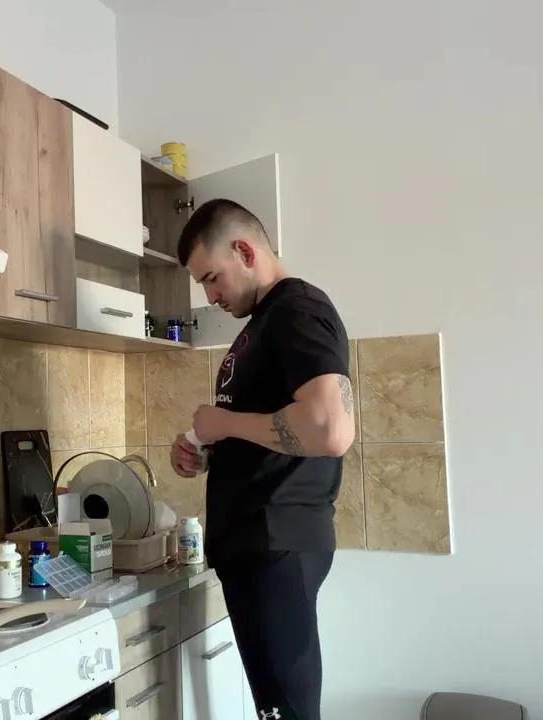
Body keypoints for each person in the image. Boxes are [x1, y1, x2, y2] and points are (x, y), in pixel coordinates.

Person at [170, 198, 355, 720]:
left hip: (277, 543)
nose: (210, 297)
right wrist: (208, 449)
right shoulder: (267, 321)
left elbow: (330, 429)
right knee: (278, 709)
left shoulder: (297, 309)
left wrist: (225, 424)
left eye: (212, 278)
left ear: (245, 251)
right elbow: (277, 428)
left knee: (288, 713)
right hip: (261, 546)